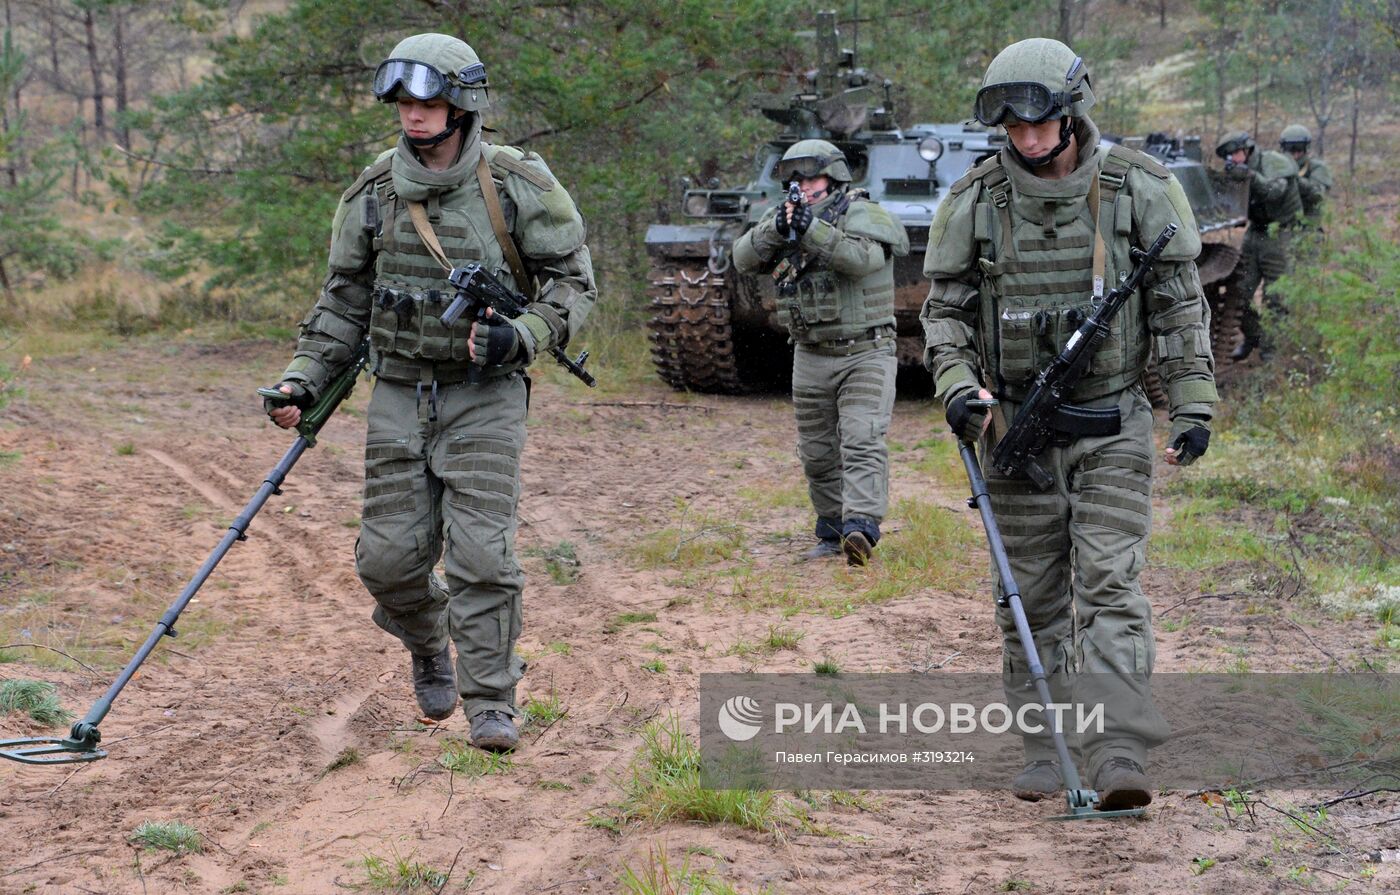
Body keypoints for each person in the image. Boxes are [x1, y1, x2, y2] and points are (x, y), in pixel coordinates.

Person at [263, 33, 596, 752]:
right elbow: (343, 302)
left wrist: (523, 335)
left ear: (462, 103)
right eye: (404, 102)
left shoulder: (515, 183)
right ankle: (427, 640)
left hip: (485, 393)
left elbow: (574, 286)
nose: (414, 115)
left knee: (482, 555)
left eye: (430, 101)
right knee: (387, 561)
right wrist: (303, 377)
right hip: (399, 390)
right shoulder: (375, 190)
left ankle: (492, 702)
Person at [921, 38, 1217, 809]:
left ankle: (1118, 748)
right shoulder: (974, 201)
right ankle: (1043, 743)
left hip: (1113, 420)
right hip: (1013, 426)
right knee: (1030, 593)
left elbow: (1180, 305)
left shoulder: (1134, 189)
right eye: (1011, 126)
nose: (1025, 137)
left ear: (1072, 109)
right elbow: (944, 316)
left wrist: (1193, 400)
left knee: (1111, 583)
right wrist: (957, 386)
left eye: (1039, 121)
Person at [732, 140, 909, 566]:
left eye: (809, 177)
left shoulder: (862, 213)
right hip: (811, 353)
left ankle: (860, 527)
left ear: (833, 177)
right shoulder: (783, 219)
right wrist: (776, 228)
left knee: (862, 439)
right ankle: (831, 530)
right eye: (794, 179)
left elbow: (861, 259)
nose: (802, 186)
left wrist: (812, 228)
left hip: (866, 350)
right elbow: (741, 259)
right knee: (817, 452)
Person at [1215, 131, 1303, 361]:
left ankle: (1270, 352)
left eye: (1235, 153)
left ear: (1247, 149)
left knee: (1275, 298)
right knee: (1239, 293)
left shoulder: (1273, 162)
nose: (1233, 159)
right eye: (1229, 156)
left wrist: (1250, 176)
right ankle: (1256, 337)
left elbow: (1275, 193)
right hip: (1255, 233)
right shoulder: (1237, 171)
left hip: (1280, 233)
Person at [1280, 124, 1333, 226]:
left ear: (1306, 148)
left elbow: (1318, 195)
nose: (1295, 154)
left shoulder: (1317, 167)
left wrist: (1296, 180)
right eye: (1290, 149)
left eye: (1299, 148)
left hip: (1307, 225)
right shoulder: (1277, 167)